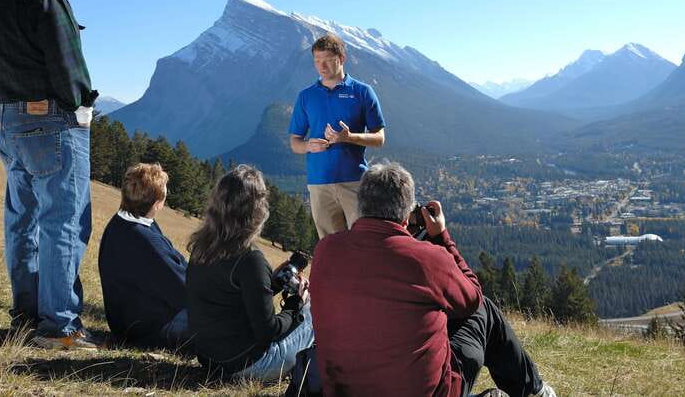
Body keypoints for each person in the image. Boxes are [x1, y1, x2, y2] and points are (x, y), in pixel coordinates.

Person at [309, 162, 556, 397]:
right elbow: (472, 299)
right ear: (406, 216)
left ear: (360, 206)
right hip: (428, 391)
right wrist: (441, 238)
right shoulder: (427, 258)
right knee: (485, 311)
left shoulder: (325, 250)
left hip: (344, 390)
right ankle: (533, 390)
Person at [0, 0, 100, 349]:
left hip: (5, 119)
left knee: (22, 218)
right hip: (50, 121)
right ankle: (59, 325)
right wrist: (81, 105)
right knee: (63, 220)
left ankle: (26, 314)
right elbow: (68, 63)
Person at [186, 165, 314, 381]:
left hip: (210, 360)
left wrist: (269, 284)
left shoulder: (201, 247)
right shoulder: (249, 259)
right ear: (256, 211)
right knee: (316, 308)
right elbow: (268, 332)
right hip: (249, 366)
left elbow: (230, 299)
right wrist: (296, 305)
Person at [288, 33, 386, 238]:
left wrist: (349, 137)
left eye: (327, 60)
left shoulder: (363, 92)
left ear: (341, 59)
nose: (321, 66)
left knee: (364, 244)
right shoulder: (306, 96)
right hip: (319, 184)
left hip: (355, 182)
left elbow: (379, 138)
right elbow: (294, 142)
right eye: (317, 61)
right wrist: (308, 146)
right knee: (331, 249)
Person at [98, 163, 193, 351]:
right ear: (157, 204)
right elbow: (185, 291)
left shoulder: (119, 223)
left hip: (125, 321)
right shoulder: (146, 239)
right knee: (222, 325)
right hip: (150, 329)